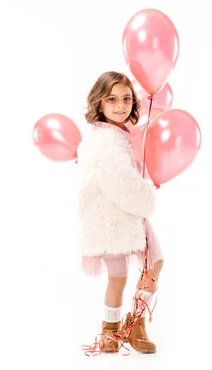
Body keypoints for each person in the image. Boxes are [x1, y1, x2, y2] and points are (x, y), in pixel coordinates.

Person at [76, 71, 164, 354]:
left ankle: (122, 327)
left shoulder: (117, 135)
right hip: (118, 215)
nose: (120, 106)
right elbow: (119, 182)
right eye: (112, 99)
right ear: (99, 103)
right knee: (132, 271)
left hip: (120, 216)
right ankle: (118, 327)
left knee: (142, 267)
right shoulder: (106, 142)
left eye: (126, 99)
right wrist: (145, 199)